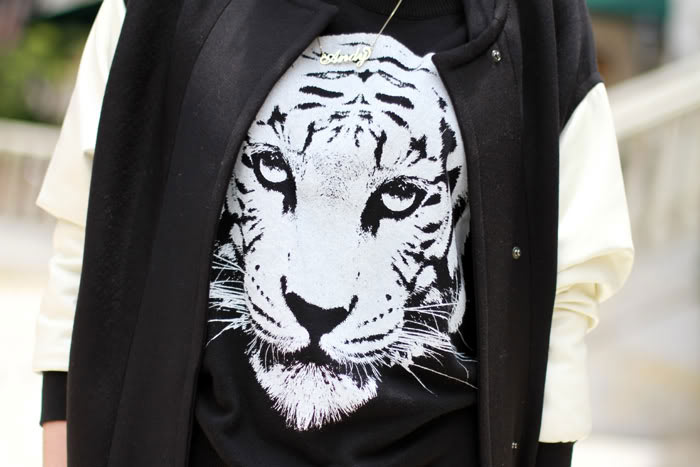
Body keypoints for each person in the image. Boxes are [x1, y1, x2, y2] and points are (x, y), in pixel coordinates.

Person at [33, 0, 635, 466]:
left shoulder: (541, 17)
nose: (318, 295)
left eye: (399, 196)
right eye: (274, 170)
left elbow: (565, 294)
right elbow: (87, 238)